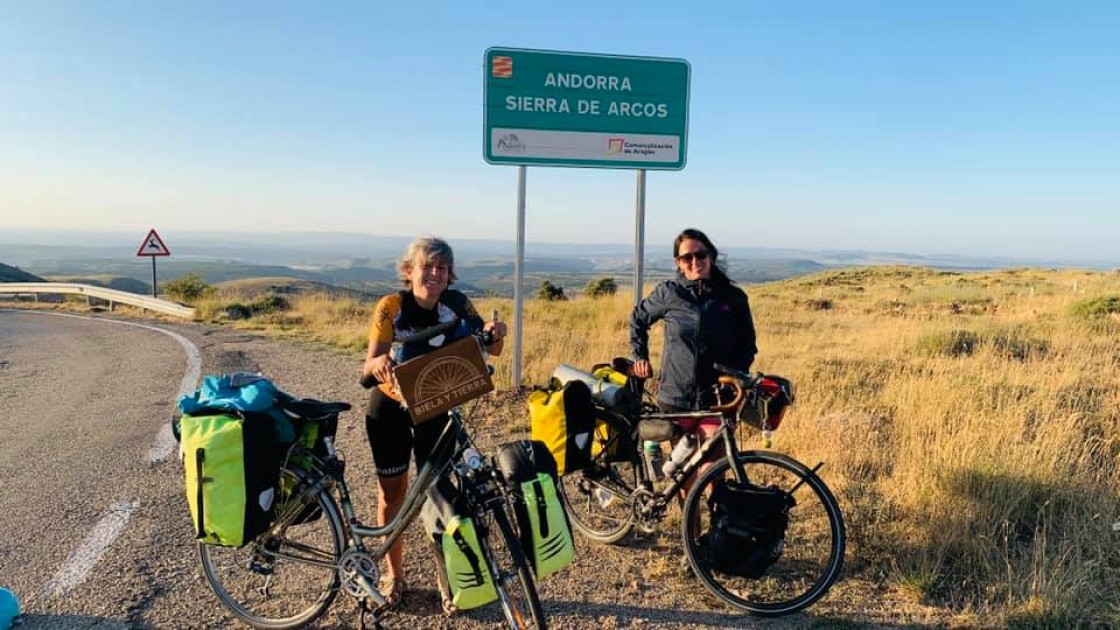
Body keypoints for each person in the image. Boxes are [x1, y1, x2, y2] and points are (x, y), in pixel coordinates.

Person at [360, 236, 506, 611]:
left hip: (436, 406)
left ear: (449, 274)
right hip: (389, 410)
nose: (436, 273)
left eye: (442, 268)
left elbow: (492, 347)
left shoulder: (457, 304)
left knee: (439, 495)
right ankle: (395, 576)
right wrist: (380, 365)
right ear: (410, 271)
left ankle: (450, 580)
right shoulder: (391, 307)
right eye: (428, 266)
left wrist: (497, 333)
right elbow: (370, 364)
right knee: (392, 496)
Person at [629, 228, 757, 498]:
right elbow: (638, 319)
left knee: (714, 475)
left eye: (700, 254)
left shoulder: (733, 298)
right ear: (678, 263)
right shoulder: (670, 293)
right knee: (684, 481)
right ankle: (693, 538)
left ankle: (715, 538)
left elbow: (747, 347)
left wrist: (733, 379)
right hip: (675, 398)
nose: (694, 261)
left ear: (711, 256)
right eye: (686, 257)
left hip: (716, 399)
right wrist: (639, 355)